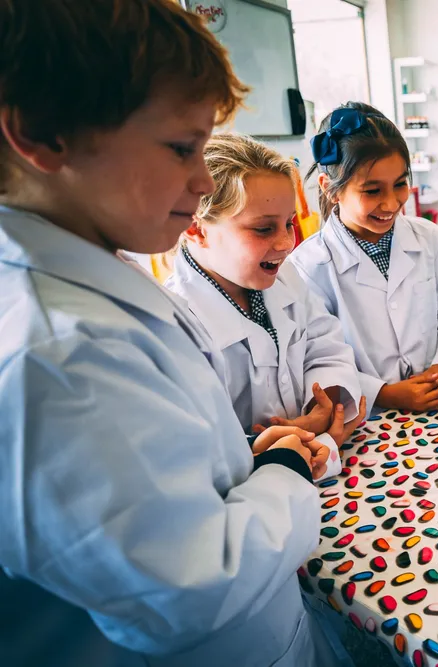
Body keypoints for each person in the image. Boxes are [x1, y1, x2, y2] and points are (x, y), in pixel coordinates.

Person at [0, 1, 336, 664]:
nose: (202, 181)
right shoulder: (60, 350)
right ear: (40, 133)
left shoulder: (90, 289)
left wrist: (245, 459)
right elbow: (192, 589)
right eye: (182, 148)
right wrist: (280, 466)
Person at [165, 133, 365, 475]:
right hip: (252, 486)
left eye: (289, 223)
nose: (287, 243)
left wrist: (325, 404)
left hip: (318, 461)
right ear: (195, 227)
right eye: (263, 229)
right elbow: (192, 450)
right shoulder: (176, 324)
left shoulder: (285, 281)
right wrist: (264, 446)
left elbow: (325, 346)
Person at [290, 103, 438, 416]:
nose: (391, 203)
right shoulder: (308, 267)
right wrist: (383, 393)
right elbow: (315, 357)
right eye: (372, 190)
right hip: (364, 417)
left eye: (399, 184)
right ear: (331, 189)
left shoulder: (428, 238)